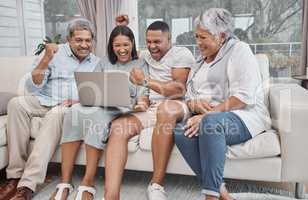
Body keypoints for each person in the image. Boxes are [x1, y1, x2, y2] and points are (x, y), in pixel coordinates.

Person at [156, 8, 271, 200]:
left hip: (243, 116)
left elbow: (242, 97)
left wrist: (207, 115)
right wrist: (194, 104)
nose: (198, 42)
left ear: (222, 36)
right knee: (180, 131)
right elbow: (189, 94)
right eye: (196, 36)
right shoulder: (200, 61)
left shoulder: (239, 50)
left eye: (203, 37)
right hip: (213, 116)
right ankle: (221, 192)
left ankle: (210, 196)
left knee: (210, 124)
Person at [0, 18, 101, 200]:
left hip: (68, 107)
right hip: (44, 99)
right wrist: (46, 58)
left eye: (88, 40)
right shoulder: (53, 54)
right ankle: (14, 177)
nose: (84, 45)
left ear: (93, 41)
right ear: (69, 40)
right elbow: (34, 86)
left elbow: (98, 94)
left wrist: (77, 101)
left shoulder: (97, 63)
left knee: (56, 113)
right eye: (79, 40)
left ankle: (27, 186)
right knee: (15, 104)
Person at [49, 25, 147, 200]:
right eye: (117, 45)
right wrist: (83, 97)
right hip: (101, 102)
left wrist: (141, 103)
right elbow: (92, 86)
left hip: (123, 106)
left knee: (98, 117)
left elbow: (143, 92)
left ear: (132, 43)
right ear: (111, 45)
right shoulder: (103, 62)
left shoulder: (141, 63)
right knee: (73, 112)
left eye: (126, 44)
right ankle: (65, 182)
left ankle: (88, 182)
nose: (122, 49)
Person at [104, 21, 195, 200]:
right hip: (152, 107)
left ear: (169, 39)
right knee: (118, 127)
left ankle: (156, 185)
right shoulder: (146, 56)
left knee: (165, 109)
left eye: (157, 42)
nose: (152, 46)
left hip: (178, 104)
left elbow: (178, 89)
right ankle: (111, 195)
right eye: (148, 42)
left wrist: (145, 81)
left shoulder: (180, 53)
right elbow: (123, 47)